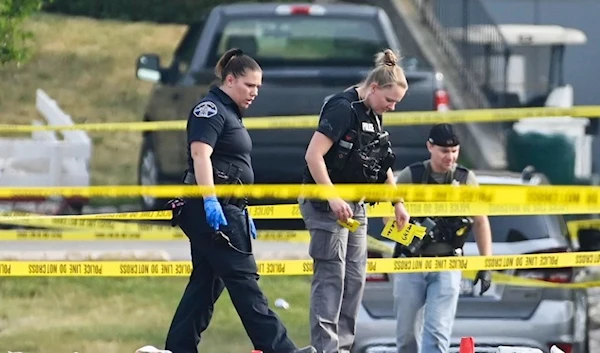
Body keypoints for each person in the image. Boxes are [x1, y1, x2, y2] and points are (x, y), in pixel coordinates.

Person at [164, 47, 316, 353]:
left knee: (205, 285)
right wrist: (211, 201)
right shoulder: (210, 110)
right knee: (245, 282)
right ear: (230, 80)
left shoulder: (229, 112)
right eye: (250, 85)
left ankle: (178, 348)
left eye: (258, 87)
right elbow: (200, 155)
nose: (255, 93)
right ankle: (281, 349)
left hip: (229, 208)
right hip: (213, 208)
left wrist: (237, 208)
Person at [299, 48, 411, 353]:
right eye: (390, 101)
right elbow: (314, 155)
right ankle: (326, 348)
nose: (392, 108)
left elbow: (381, 162)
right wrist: (332, 196)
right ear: (374, 88)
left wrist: (397, 202)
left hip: (356, 205)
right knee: (331, 276)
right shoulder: (342, 107)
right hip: (326, 204)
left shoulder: (374, 115)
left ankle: (344, 346)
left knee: (354, 278)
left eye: (396, 103)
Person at [392, 123, 493, 353]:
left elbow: (480, 221)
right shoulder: (412, 175)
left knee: (437, 333)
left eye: (455, 151)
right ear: (430, 146)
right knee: (407, 335)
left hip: (448, 262)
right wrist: (415, 233)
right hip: (411, 262)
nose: (450, 157)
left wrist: (486, 265)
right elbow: (388, 217)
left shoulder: (465, 179)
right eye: (444, 151)